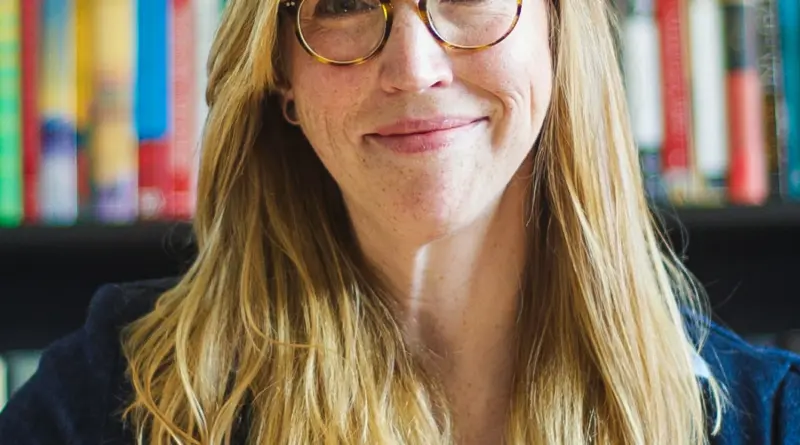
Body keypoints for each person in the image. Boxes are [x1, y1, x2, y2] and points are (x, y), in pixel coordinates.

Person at [1, 0, 799, 443]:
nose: (415, 69)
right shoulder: (117, 399)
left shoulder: (768, 419)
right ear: (279, 71)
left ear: (560, 34)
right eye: (345, 3)